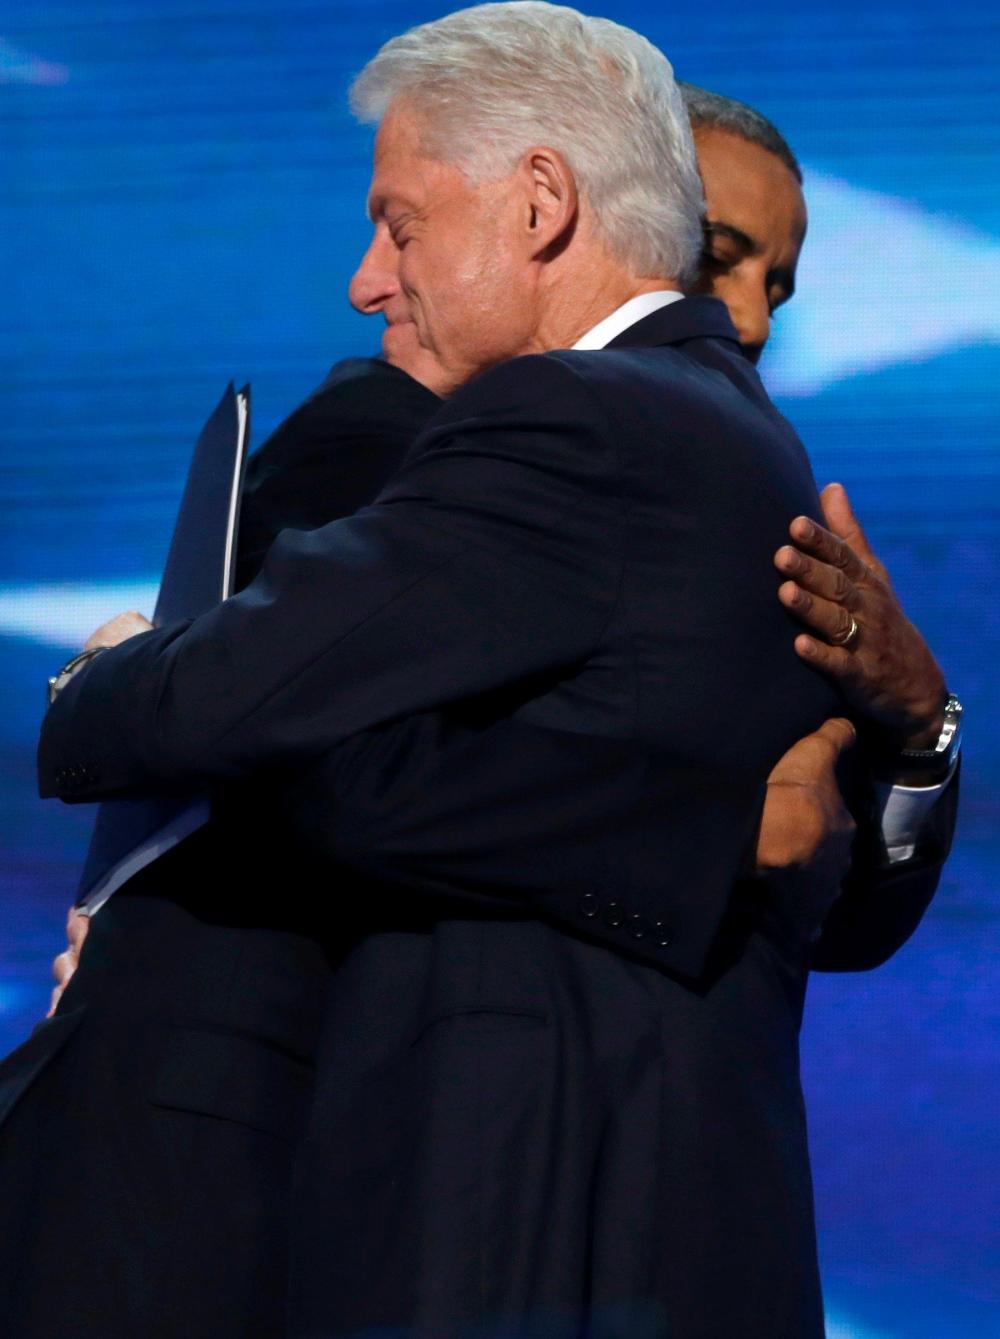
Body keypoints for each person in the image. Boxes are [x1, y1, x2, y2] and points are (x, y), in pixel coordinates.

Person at [6, 18, 957, 1339]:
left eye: (772, 284)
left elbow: (832, 886)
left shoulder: (635, 439)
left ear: (545, 202)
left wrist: (102, 689)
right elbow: (315, 759)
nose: (740, 313)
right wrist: (714, 837)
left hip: (521, 1199)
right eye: (720, 256)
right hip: (405, 1176)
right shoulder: (518, 433)